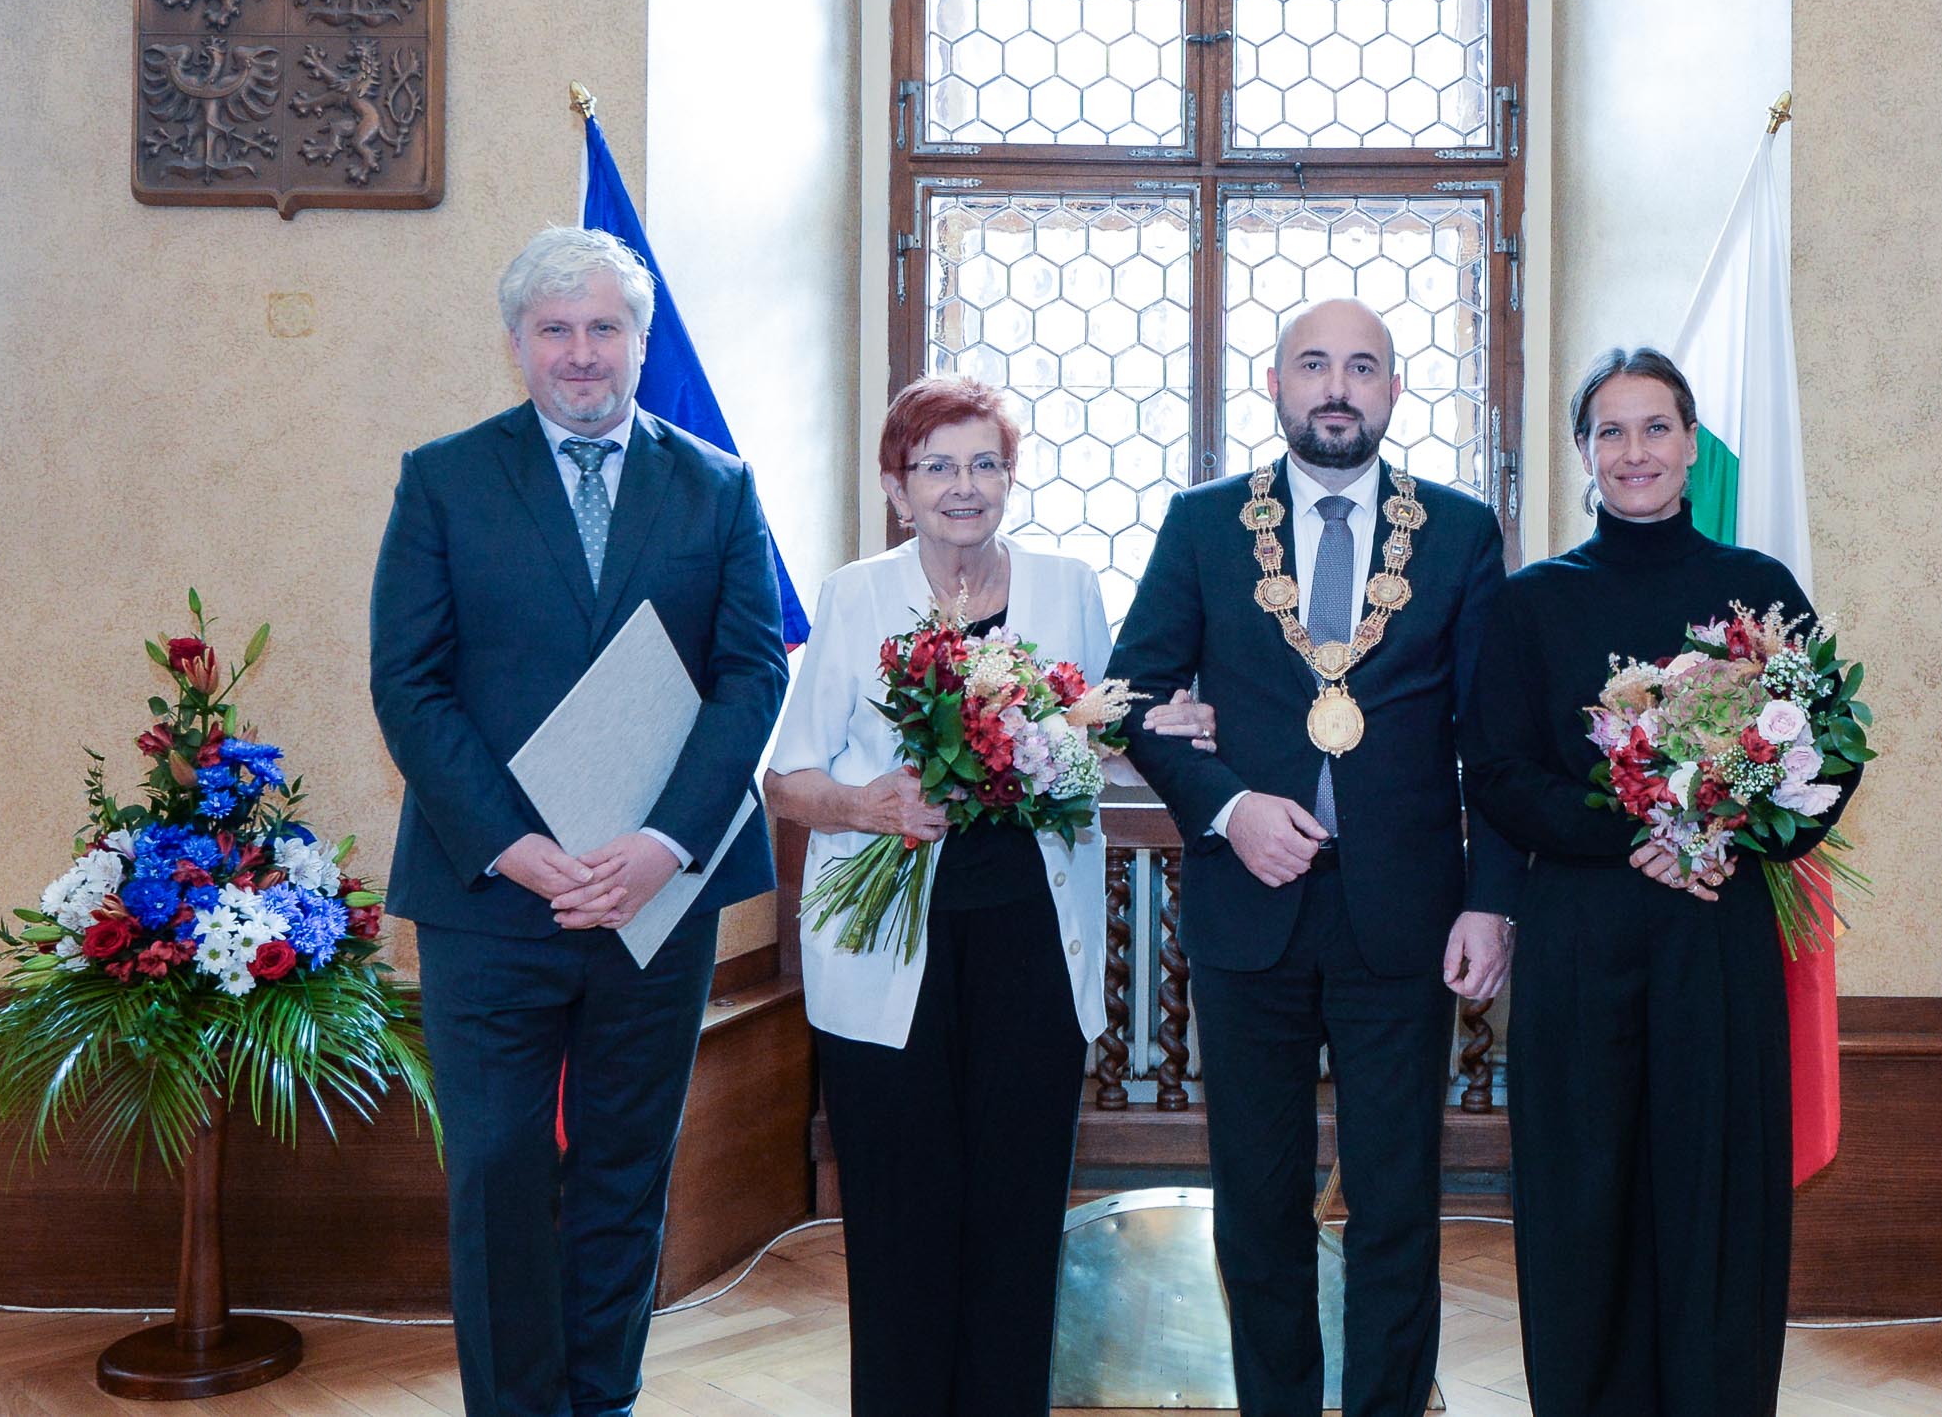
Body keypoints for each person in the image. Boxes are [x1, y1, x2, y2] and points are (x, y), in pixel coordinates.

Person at [370, 225, 789, 1417]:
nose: (581, 351)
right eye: (555, 328)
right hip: (490, 895)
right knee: (498, 1167)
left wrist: (662, 842)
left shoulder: (716, 484)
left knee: (622, 1171)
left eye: (606, 326)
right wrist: (515, 842)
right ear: (516, 346)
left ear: (640, 343)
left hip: (656, 896)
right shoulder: (443, 478)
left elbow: (750, 677)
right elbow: (409, 682)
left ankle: (601, 1399)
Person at [761, 374, 1213, 1417]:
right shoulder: (854, 595)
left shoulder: (1066, 585)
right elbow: (785, 780)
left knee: (1016, 1222)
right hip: (886, 958)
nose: (963, 486)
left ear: (1009, 474)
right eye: (937, 465)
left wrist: (1178, 725)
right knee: (900, 1222)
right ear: (896, 484)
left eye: (984, 462)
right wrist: (872, 805)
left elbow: (1107, 739)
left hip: (1031, 946)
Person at [1109, 298, 1516, 1417]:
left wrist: (1492, 901)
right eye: (1313, 364)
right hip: (1251, 905)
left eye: (1363, 367)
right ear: (1276, 384)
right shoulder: (1200, 524)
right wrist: (1228, 802)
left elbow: (1493, 737)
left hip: (1405, 918)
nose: (1337, 386)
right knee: (1258, 1198)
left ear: (1392, 391)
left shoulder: (1461, 530)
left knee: (1396, 1201)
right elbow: (1129, 695)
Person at [1460, 347, 1860, 1417]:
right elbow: (1495, 768)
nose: (1634, 451)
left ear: (1690, 445)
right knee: (1582, 1187)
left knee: (1711, 1189)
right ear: (1583, 453)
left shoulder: (1760, 590)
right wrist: (1635, 825)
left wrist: (1730, 834)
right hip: (1580, 932)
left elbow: (1832, 751)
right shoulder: (1533, 602)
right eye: (1610, 431)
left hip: (1715, 930)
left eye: (1655, 427)